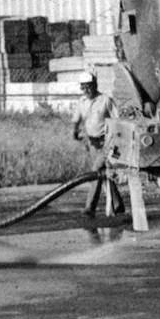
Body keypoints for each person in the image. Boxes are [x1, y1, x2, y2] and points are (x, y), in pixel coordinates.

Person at [70, 71, 126, 216]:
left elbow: (118, 120)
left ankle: (90, 207)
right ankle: (118, 205)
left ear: (95, 85)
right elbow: (76, 119)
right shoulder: (82, 102)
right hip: (92, 143)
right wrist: (75, 132)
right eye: (83, 87)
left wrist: (117, 140)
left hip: (107, 142)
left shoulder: (105, 100)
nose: (86, 90)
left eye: (89, 87)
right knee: (103, 174)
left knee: (95, 171)